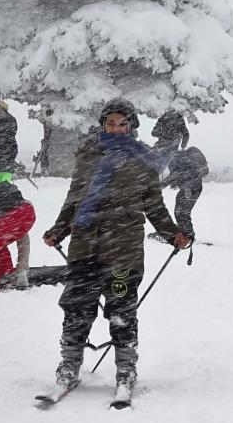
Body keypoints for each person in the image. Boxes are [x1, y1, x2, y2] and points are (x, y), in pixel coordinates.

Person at [42, 97, 191, 393]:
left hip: (124, 249)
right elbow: (75, 198)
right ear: (102, 124)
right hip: (85, 245)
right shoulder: (88, 155)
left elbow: (154, 206)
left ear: (132, 126)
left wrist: (173, 232)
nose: (116, 128)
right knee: (77, 308)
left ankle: (125, 369)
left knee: (121, 310)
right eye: (111, 123)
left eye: (123, 123)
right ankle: (69, 366)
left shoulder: (142, 161)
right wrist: (59, 229)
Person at [154, 112, 205, 241]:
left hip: (190, 189)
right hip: (192, 187)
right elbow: (181, 174)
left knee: (181, 213)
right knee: (181, 212)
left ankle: (187, 236)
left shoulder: (175, 158)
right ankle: (183, 234)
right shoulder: (179, 156)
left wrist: (158, 187)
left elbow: (178, 174)